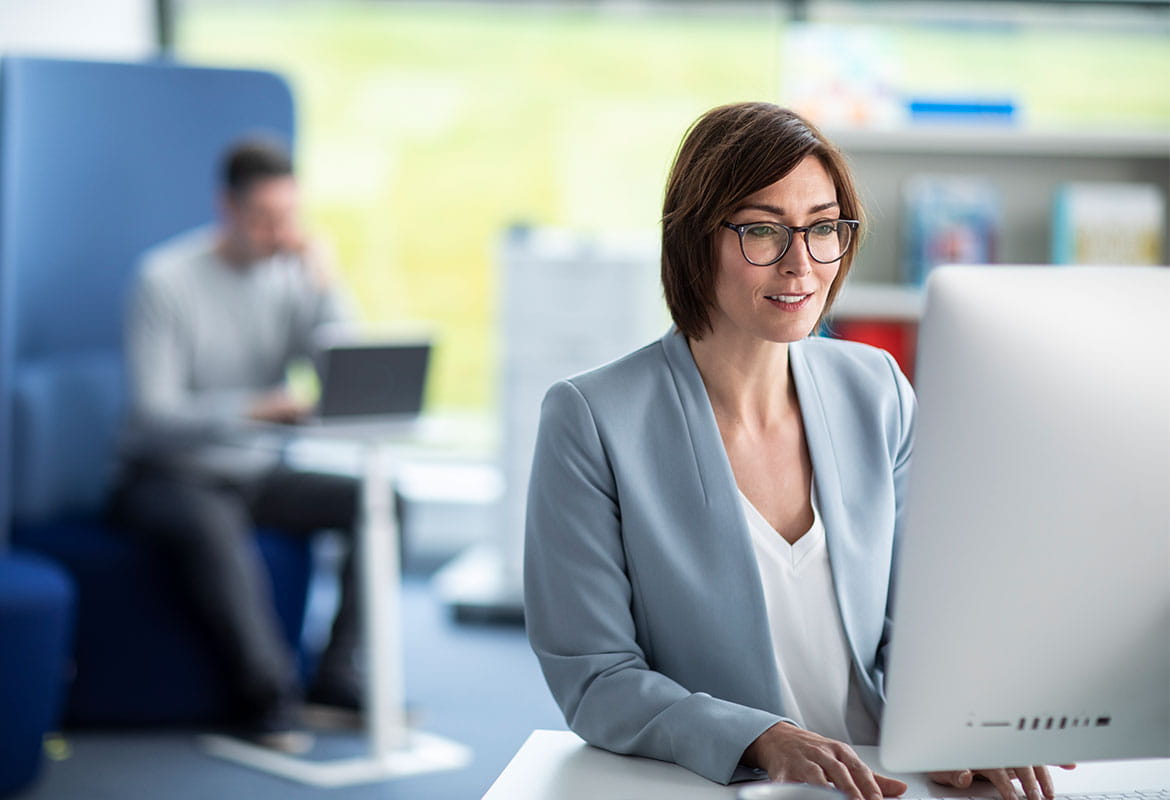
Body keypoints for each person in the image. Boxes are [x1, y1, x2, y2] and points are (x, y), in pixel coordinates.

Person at [524, 103, 1071, 800]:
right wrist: (762, 737)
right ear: (694, 241)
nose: (800, 264)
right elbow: (596, 679)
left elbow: (921, 624)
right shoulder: (592, 419)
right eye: (762, 230)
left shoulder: (876, 389)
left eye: (823, 229)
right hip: (715, 786)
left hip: (892, 782)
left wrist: (956, 725)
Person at [108, 137, 363, 751]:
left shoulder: (291, 276)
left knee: (381, 502)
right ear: (227, 207)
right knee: (214, 530)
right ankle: (267, 699)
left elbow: (344, 373)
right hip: (166, 475)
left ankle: (337, 678)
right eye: (264, 218)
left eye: (289, 217)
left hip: (255, 471)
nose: (279, 233)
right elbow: (153, 413)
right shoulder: (163, 279)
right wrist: (255, 408)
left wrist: (325, 286)